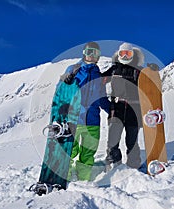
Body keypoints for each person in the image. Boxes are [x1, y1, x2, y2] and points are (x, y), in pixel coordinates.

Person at [62, 41, 110, 181]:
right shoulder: (74, 69)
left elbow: (102, 98)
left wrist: (113, 111)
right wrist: (66, 82)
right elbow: (63, 90)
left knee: (88, 153)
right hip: (74, 119)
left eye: (95, 53)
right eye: (89, 52)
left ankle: (83, 179)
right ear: (84, 53)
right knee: (71, 150)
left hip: (93, 121)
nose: (91, 55)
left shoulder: (99, 76)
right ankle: (67, 177)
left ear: (98, 56)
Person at [102, 42, 145, 171]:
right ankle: (114, 163)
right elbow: (99, 80)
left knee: (132, 140)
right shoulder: (114, 69)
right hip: (117, 108)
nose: (125, 56)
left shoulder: (138, 70)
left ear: (133, 54)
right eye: (123, 53)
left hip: (134, 109)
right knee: (113, 139)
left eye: (128, 53)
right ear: (118, 54)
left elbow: (149, 87)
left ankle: (134, 164)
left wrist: (151, 72)